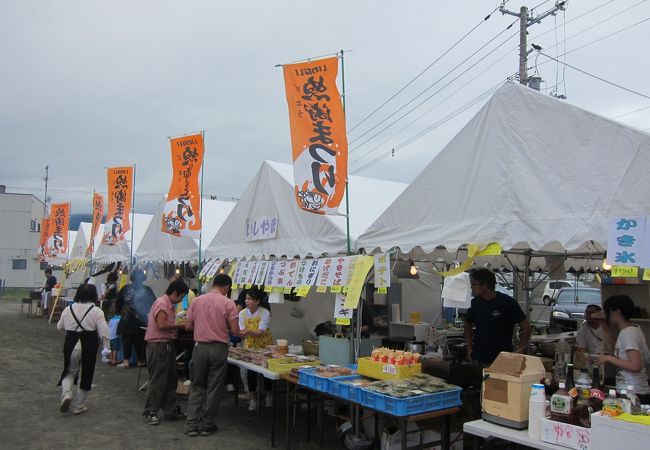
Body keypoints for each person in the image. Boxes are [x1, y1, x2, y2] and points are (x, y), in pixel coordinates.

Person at [183, 274, 241, 437]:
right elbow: (235, 330)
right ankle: (207, 424)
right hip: (218, 348)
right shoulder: (228, 303)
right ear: (226, 288)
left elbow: (188, 326)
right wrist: (247, 332)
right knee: (214, 387)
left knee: (197, 385)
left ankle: (191, 425)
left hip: (200, 347)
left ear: (213, 284)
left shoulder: (197, 301)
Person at [56, 283, 110, 415]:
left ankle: (67, 394)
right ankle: (79, 405)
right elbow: (104, 331)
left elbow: (59, 327)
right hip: (89, 344)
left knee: (69, 371)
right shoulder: (97, 311)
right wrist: (106, 348)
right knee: (86, 374)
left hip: (71, 344)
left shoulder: (68, 309)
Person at [142, 279, 189, 426]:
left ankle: (170, 410)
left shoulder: (170, 305)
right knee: (158, 379)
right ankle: (151, 411)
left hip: (166, 345)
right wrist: (180, 326)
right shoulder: (162, 303)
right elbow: (161, 324)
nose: (181, 300)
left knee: (170, 379)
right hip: (158, 345)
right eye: (181, 296)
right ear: (175, 293)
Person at [464, 268, 532, 365]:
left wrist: (519, 351)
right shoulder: (474, 303)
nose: (471, 287)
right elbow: (467, 323)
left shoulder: (507, 302)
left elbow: (526, 327)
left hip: (502, 359)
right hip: (478, 358)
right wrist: (469, 348)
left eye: (474, 284)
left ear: (485, 286)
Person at [596, 295, 650, 403]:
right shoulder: (633, 329)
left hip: (633, 392)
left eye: (608, 312)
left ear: (617, 312)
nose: (606, 316)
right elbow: (615, 354)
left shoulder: (628, 333)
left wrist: (607, 358)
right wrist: (604, 328)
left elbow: (635, 366)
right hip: (632, 390)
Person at [239, 287, 273, 411]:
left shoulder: (265, 312)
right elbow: (242, 330)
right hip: (250, 347)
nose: (247, 301)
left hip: (264, 346)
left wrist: (247, 332)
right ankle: (252, 398)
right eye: (246, 299)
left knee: (266, 373)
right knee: (251, 372)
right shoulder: (242, 313)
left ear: (258, 301)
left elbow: (260, 332)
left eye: (250, 299)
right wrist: (243, 333)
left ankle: (269, 395)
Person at [115, 269, 156, 368]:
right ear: (143, 278)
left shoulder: (125, 288)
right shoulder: (146, 289)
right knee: (140, 341)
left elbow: (118, 303)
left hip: (126, 319)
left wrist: (121, 312)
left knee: (127, 341)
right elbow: (153, 303)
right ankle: (140, 361)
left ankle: (126, 361)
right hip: (140, 320)